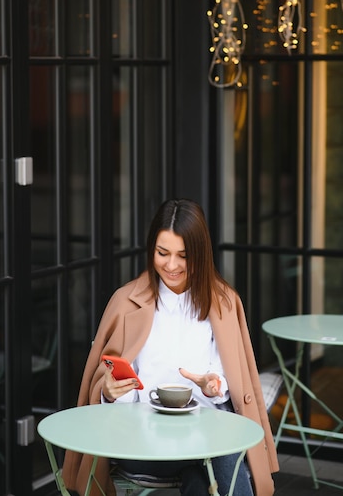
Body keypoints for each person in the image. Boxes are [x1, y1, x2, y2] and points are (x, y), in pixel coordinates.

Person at [62, 199, 279, 495]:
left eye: (184, 255)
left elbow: (232, 380)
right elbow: (103, 382)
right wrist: (109, 393)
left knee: (210, 464)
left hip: (206, 442)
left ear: (200, 255)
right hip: (143, 444)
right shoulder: (126, 302)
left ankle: (194, 478)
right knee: (223, 453)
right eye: (162, 253)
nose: (172, 265)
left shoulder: (225, 303)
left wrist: (214, 385)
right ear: (151, 249)